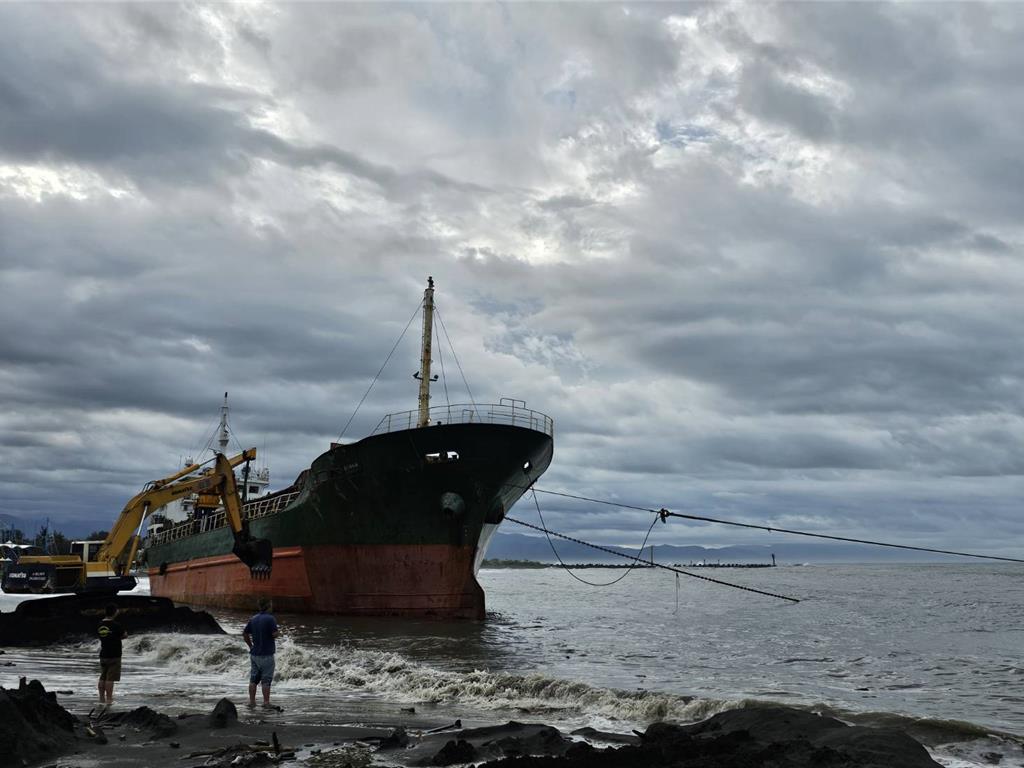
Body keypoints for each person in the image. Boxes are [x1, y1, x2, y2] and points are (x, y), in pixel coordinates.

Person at [243, 596, 279, 708]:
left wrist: (251, 646)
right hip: (267, 654)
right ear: (268, 606)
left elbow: (245, 634)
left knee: (253, 679)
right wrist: (278, 634)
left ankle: (252, 702)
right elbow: (274, 634)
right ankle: (266, 702)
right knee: (266, 680)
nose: (272, 606)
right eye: (271, 604)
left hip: (254, 654)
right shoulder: (270, 619)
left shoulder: (253, 618)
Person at [97, 603, 127, 707]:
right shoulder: (116, 625)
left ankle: (101, 698)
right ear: (114, 612)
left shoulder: (100, 624)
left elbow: (102, 635)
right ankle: (109, 700)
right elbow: (125, 635)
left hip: (103, 654)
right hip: (114, 655)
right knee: (110, 679)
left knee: (103, 677)